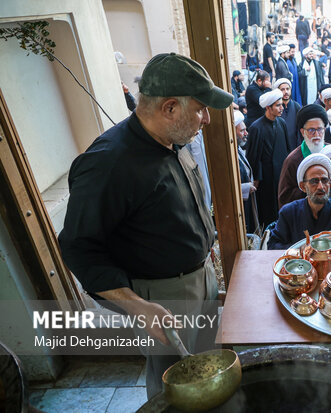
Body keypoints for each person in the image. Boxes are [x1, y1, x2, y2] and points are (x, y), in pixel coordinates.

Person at [59, 53, 232, 399]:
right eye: (200, 109)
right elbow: (78, 246)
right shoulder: (109, 163)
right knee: (173, 381)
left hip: (201, 277)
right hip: (162, 296)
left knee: (207, 365)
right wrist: (138, 306)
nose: (206, 119)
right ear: (169, 108)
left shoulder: (174, 140)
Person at [268, 154, 331, 249]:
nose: (320, 187)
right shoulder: (289, 212)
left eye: (324, 180)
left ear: (330, 184)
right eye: (314, 181)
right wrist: (300, 250)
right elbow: (273, 245)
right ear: (303, 186)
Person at [245, 89, 290, 227]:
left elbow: (288, 148)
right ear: (268, 107)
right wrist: (257, 179)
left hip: (281, 174)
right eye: (278, 105)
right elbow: (253, 157)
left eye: (282, 104)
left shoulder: (282, 123)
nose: (281, 108)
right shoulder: (256, 128)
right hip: (267, 179)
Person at [277, 104, 328, 208]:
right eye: (311, 130)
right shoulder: (293, 160)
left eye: (319, 129)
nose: (316, 134)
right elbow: (284, 197)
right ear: (302, 132)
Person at [234, 111, 258, 233]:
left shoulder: (237, 149)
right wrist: (245, 188)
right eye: (242, 131)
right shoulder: (227, 154)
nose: (246, 133)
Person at [274, 78, 302, 151]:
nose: (285, 92)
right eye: (282, 89)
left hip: (294, 147)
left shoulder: (296, 106)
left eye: (287, 89)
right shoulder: (274, 108)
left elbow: (300, 130)